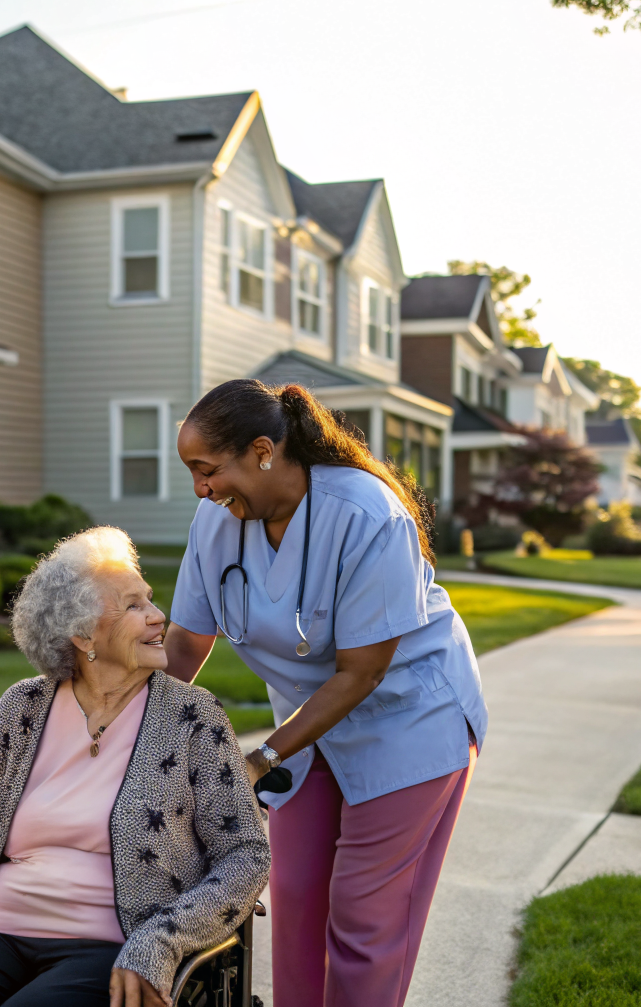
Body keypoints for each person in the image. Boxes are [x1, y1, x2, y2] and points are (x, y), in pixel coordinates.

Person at [164, 380, 488, 1007]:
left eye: (207, 470)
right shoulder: (215, 523)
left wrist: (263, 758)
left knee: (365, 917)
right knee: (295, 901)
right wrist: (123, 728)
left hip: (408, 722)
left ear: (262, 450)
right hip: (309, 731)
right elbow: (184, 646)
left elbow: (362, 672)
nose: (200, 489)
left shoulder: (366, 513)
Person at [0, 527, 270, 1007]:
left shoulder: (192, 717)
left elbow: (246, 855)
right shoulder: (22, 707)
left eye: (149, 600)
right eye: (133, 607)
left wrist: (161, 941)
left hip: (113, 943)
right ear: (82, 634)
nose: (158, 616)